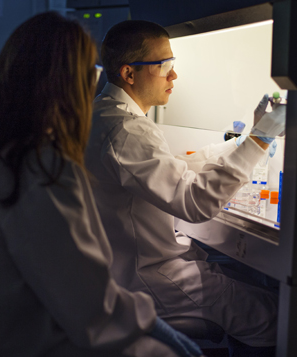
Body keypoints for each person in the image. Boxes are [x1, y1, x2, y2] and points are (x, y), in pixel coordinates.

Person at [0, 12, 203, 357]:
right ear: (74, 84)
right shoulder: (38, 167)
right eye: (93, 74)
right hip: (32, 343)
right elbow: (93, 310)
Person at [85, 19, 285, 356]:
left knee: (254, 287)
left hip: (132, 270)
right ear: (129, 74)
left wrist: (247, 140)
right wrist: (259, 140)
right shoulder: (126, 131)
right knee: (277, 318)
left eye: (172, 65)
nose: (173, 76)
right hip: (154, 279)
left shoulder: (107, 116)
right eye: (164, 66)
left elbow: (172, 166)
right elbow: (195, 202)